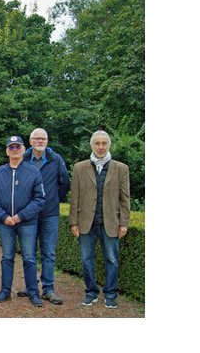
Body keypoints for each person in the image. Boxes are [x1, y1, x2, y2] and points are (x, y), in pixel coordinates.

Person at [69, 130, 130, 309]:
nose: (101, 147)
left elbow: (125, 199)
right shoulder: (79, 168)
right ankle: (91, 292)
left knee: (111, 259)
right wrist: (73, 222)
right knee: (86, 260)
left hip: (111, 222)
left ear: (109, 145)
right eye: (97, 143)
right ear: (91, 145)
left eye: (104, 143)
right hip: (86, 222)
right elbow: (75, 198)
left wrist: (124, 223)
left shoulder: (121, 168)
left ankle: (110, 294)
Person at [14, 128, 70, 304]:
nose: (40, 141)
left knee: (49, 253)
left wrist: (52, 200)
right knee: (29, 253)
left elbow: (65, 183)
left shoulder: (56, 159)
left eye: (43, 138)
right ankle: (31, 286)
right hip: (28, 214)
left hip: (49, 214)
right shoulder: (23, 158)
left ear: (47, 141)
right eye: (37, 138)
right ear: (30, 141)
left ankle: (48, 288)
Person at [0, 136, 46, 307]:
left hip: (27, 222)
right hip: (5, 223)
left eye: (17, 147)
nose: (14, 150)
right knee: (7, 257)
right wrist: (4, 217)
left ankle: (33, 292)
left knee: (29, 257)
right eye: (11, 147)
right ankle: (5, 291)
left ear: (23, 149)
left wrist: (20, 216)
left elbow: (39, 199)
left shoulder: (33, 172)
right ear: (7, 151)